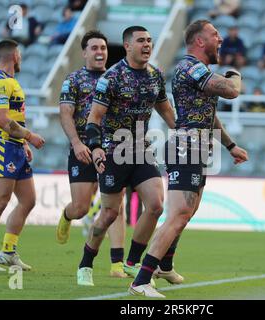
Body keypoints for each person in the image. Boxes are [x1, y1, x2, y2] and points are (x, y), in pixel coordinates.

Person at [129, 19, 249, 298]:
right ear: (199, 41)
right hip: (186, 147)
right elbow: (231, 90)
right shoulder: (189, 66)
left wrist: (230, 146)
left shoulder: (200, 72)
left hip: (197, 148)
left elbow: (209, 115)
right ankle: (141, 279)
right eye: (215, 34)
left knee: (186, 213)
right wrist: (235, 74)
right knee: (179, 213)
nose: (220, 39)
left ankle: (165, 265)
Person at [77, 26, 178, 287]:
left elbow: (165, 109)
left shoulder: (155, 76)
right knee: (109, 214)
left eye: (149, 40)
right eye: (141, 41)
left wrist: (181, 132)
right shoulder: (111, 78)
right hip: (113, 151)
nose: (147, 45)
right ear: (127, 46)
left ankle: (132, 262)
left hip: (141, 149)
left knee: (156, 205)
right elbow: (94, 118)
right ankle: (86, 262)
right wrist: (96, 147)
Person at [56, 30, 127, 280]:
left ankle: (117, 264)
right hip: (83, 149)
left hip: (112, 151)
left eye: (103, 48)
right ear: (84, 52)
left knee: (117, 206)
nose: (100, 52)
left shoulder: (117, 78)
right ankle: (67, 215)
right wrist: (76, 143)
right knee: (81, 208)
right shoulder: (73, 80)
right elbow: (65, 114)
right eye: (94, 48)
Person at [0, 39, 45, 271]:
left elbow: (14, 117)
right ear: (15, 55)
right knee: (0, 201)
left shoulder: (11, 82)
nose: (21, 58)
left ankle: (8, 252)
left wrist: (23, 141)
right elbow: (2, 119)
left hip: (15, 146)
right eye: (20, 54)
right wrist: (30, 136)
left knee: (28, 200)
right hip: (3, 145)